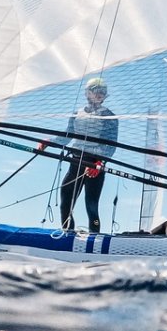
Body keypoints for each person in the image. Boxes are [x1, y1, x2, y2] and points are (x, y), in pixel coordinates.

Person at [57, 77, 117, 233]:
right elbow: (66, 136)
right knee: (65, 200)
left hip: (95, 165)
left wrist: (100, 163)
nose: (99, 94)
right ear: (87, 93)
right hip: (76, 162)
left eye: (102, 92)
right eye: (96, 90)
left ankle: (94, 235)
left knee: (91, 205)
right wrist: (47, 142)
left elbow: (111, 144)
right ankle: (67, 233)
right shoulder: (77, 113)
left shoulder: (110, 116)